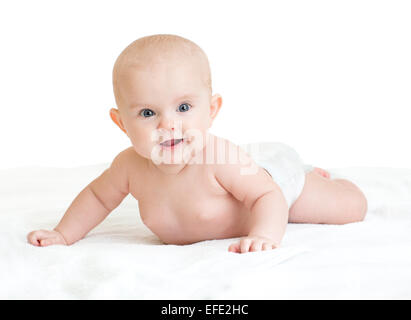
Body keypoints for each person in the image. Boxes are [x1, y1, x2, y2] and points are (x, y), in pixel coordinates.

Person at [27, 34, 368, 253]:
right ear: (121, 123)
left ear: (212, 110)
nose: (168, 124)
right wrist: (63, 233)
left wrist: (264, 235)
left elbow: (267, 196)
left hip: (274, 184)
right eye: (147, 112)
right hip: (252, 181)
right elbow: (97, 198)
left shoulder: (220, 158)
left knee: (348, 210)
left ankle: (323, 180)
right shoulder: (128, 166)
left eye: (184, 108)